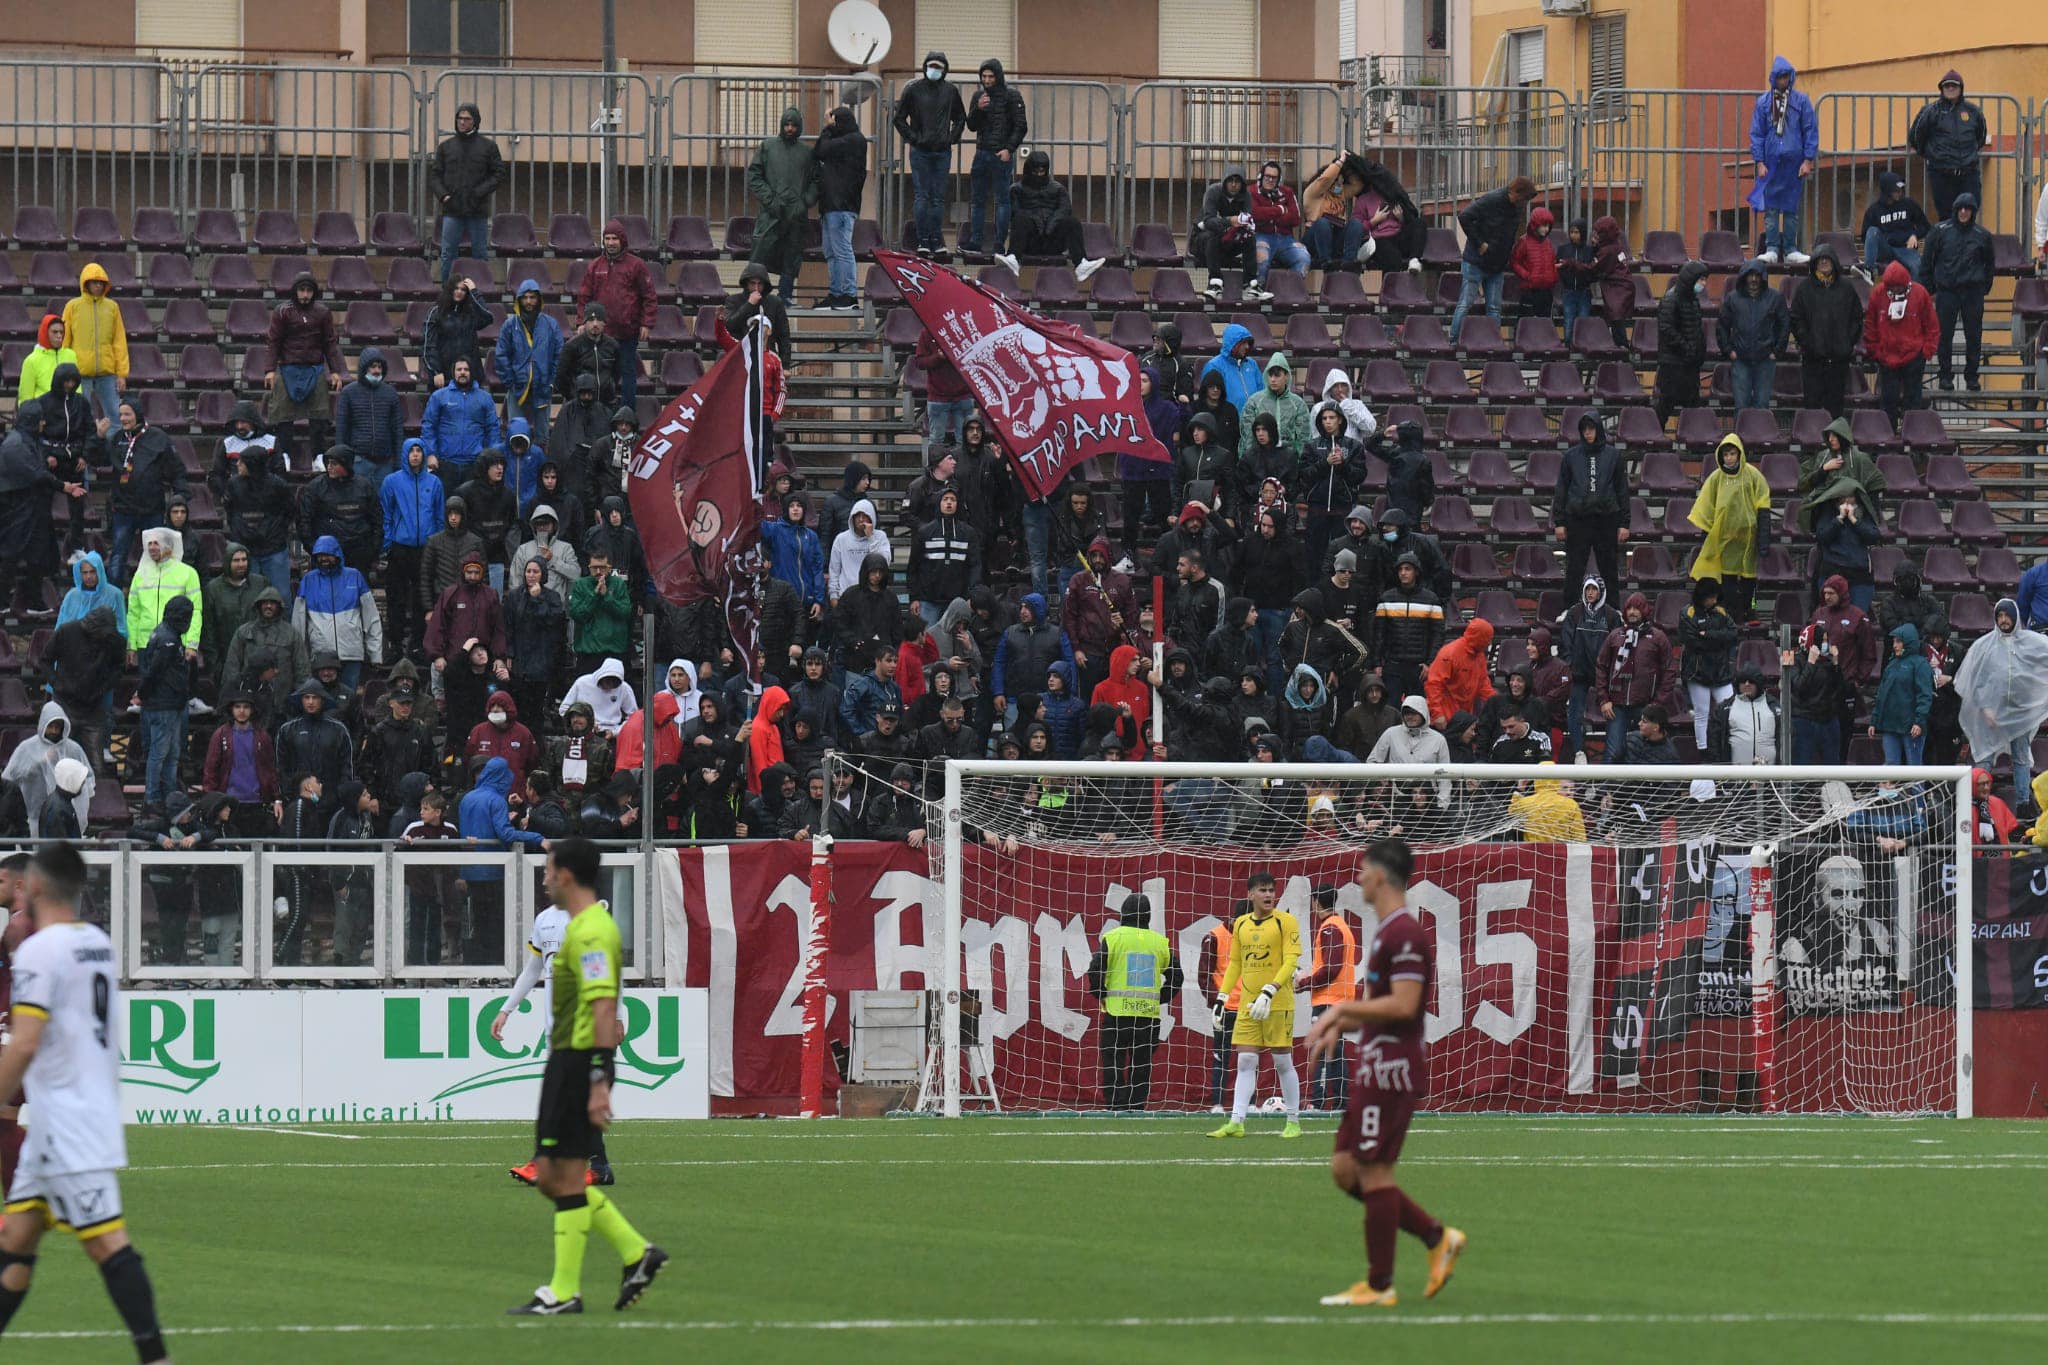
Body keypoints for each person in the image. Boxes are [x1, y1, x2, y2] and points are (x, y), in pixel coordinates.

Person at [0, 844, 172, 1361]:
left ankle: (157, 1357)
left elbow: (25, 1042)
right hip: (75, 1112)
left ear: (30, 888)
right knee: (17, 1242)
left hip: (68, 1123)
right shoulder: (96, 942)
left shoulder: (37, 950)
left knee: (107, 1242)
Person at [503, 838, 667, 1316]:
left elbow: (602, 1008)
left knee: (561, 1175)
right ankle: (637, 1253)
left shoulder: (594, 931)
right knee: (554, 1177)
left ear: (568, 875)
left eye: (549, 870)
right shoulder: (578, 927)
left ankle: (564, 1290)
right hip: (568, 1058)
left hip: (580, 1061)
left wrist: (598, 1078)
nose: (544, 878)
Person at [1308, 838, 1465, 1308]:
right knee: (1344, 1169)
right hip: (1374, 1063)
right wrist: (1344, 1020)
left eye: (1363, 869)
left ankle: (1379, 1286)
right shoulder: (1386, 931)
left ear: (1380, 875)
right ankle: (1438, 1237)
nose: (1358, 878)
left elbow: (1404, 1005)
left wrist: (1342, 1012)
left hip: (1393, 1069)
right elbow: (1385, 1007)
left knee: (1374, 1172)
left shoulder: (1405, 934)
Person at [496, 869, 617, 1187]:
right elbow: (533, 968)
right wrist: (506, 1009)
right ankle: (595, 1164)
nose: (543, 880)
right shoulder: (545, 919)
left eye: (550, 873)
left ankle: (547, 1161)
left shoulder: (590, 919)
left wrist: (615, 1016)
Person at [1207, 872, 1304, 1140]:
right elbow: (1235, 963)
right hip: (1249, 1003)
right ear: (1250, 895)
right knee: (1246, 1061)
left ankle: (1293, 1121)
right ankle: (1237, 1121)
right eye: (1262, 890)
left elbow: (1291, 960)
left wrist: (1270, 990)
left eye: (1271, 890)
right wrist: (1222, 998)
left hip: (1277, 1002)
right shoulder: (1240, 925)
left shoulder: (1286, 922)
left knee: (1282, 1062)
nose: (1269, 895)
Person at [1085, 894, 1180, 1111]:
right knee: (1141, 1065)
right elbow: (1177, 976)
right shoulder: (1159, 942)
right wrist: (1162, 997)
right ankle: (1137, 1107)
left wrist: (1102, 994)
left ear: (1123, 913)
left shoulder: (1113, 938)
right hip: (1148, 1016)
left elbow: (1095, 969)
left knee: (1113, 1064)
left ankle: (1116, 1107)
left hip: (1117, 1015)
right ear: (1148, 916)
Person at [1956, 598, 2048, 802]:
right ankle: (1978, 804)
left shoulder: (2031, 642)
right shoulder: (1983, 646)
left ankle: (2023, 804)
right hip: (1992, 716)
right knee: (1985, 758)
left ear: (2015, 617)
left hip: (2020, 714)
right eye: (2000, 616)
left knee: (2021, 759)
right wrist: (1986, 708)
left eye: (2007, 615)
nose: (2004, 620)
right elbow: (1975, 680)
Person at [98, 398, 186, 586]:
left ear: (138, 414)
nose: (123, 419)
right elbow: (98, 460)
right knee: (117, 557)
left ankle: (153, 591)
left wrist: (181, 497)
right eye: (120, 414)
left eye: (127, 414)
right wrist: (98, 438)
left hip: (151, 510)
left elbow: (176, 470)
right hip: (123, 510)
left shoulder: (158, 438)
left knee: (155, 556)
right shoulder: (117, 438)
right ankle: (115, 599)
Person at [1687, 436, 1772, 623]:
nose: (1730, 458)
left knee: (1750, 581)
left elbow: (1763, 506)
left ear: (1739, 453)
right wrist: (1706, 535)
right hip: (1725, 540)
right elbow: (1706, 506)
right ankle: (1733, 613)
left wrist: (1763, 540)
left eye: (1733, 453)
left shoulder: (1753, 475)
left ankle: (1752, 610)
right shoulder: (1716, 478)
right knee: (1728, 581)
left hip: (1748, 539)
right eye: (1726, 454)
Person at [574, 221, 659, 407]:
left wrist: (647, 323)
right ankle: (604, 414)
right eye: (607, 238)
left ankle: (627, 417)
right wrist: (582, 321)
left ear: (622, 240)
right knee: (604, 375)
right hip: (602, 334)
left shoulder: (636, 265)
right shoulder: (595, 266)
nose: (611, 242)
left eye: (614, 238)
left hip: (628, 332)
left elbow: (649, 296)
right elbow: (584, 296)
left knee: (628, 373)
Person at [1918, 191, 1996, 392]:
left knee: (1974, 336)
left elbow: (1990, 264)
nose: (1963, 212)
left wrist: (1982, 287)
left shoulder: (1982, 235)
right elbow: (1927, 260)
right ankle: (1945, 376)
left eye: (1967, 208)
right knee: (1944, 336)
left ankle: (1972, 377)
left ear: (1973, 211)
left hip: (1972, 292)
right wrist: (1931, 286)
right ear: (1955, 210)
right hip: (1947, 291)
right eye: (1960, 208)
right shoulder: (1940, 231)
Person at [263, 273, 346, 461]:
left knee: (319, 414)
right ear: (295, 291)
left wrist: (335, 371)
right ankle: (284, 454)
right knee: (283, 414)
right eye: (302, 290)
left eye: (309, 290)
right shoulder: (282, 312)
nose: (305, 294)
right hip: (288, 368)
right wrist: (269, 370)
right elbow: (274, 342)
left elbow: (329, 343)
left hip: (315, 368)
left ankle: (318, 456)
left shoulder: (323, 313)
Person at [1291, 886, 1359, 1114]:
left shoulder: (1330, 928)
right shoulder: (1342, 926)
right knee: (1335, 1051)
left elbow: (1331, 968)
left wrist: (1304, 982)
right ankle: (1341, 1102)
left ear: (1315, 903)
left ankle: (1317, 1103)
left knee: (1323, 1050)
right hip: (1342, 999)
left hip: (1330, 1000)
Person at [893, 51, 966, 257]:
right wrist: (914, 138)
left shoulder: (950, 91)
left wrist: (951, 138)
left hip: (942, 152)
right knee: (922, 196)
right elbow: (899, 119)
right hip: (920, 152)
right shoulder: (913, 89)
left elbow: (960, 118)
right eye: (931, 65)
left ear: (945, 69)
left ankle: (937, 238)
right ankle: (923, 240)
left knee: (938, 198)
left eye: (939, 66)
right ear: (925, 66)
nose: (934, 69)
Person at [1747, 56, 1818, 266]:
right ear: (1773, 78)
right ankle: (1771, 248)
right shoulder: (1763, 103)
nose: (1783, 81)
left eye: (1786, 76)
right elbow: (1757, 134)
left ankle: (1790, 249)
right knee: (1770, 208)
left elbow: (1810, 130)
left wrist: (1808, 160)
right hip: (1770, 162)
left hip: (1794, 163)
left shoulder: (1801, 101)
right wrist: (1759, 162)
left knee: (1790, 208)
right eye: (1780, 77)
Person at [746, 106, 818, 305]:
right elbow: (754, 176)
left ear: (799, 127)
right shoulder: (768, 147)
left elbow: (817, 181)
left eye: (793, 125)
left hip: (796, 216)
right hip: (771, 213)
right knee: (760, 254)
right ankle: (755, 296)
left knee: (792, 256)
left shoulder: (807, 153)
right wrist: (771, 200)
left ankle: (785, 295)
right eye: (786, 124)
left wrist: (804, 203)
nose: (789, 128)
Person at [993, 151, 1104, 281]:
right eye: (1035, 172)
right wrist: (1036, 220)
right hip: (1029, 242)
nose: (1039, 175)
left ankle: (1081, 264)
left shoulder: (1058, 188)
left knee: (1072, 222)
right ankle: (1013, 257)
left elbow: (1065, 209)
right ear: (1029, 170)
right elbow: (1015, 212)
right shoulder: (1016, 189)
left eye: (1042, 171)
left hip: (1053, 241)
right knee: (1020, 218)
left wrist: (1052, 223)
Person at [1448, 177, 1535, 341]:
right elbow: (1465, 216)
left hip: (1497, 264)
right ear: (1515, 192)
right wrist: (1480, 243)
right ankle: (1453, 340)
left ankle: (1493, 342)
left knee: (1494, 308)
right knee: (1465, 303)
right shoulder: (1492, 199)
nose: (1524, 203)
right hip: (1476, 261)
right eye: (1523, 199)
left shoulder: (1517, 207)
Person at [1551, 410, 1629, 592]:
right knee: (1574, 569)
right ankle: (1569, 609)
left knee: (1609, 569)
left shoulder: (1614, 456)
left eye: (1591, 428)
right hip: (1578, 520)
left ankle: (1614, 610)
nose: (1587, 433)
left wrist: (1625, 523)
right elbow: (1561, 489)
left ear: (1599, 429)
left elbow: (1622, 490)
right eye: (1584, 429)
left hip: (1606, 519)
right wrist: (1559, 522)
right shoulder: (1570, 456)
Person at [1595, 592, 1676, 762]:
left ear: (1645, 610)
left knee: (1645, 752)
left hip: (1646, 706)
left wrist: (1657, 704)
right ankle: (1606, 788)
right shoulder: (1615, 635)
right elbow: (1601, 667)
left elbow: (1669, 671)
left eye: (1636, 608)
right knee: (1614, 752)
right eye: (1629, 608)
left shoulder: (1658, 637)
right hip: (1616, 705)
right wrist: (1604, 699)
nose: (1632, 612)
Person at [293, 537, 382, 692]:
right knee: (322, 701)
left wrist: (375, 653)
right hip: (321, 655)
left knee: (348, 701)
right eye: (319, 556)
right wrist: (299, 657)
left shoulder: (355, 576)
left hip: (351, 653)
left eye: (327, 554)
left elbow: (371, 618)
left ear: (337, 554)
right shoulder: (308, 580)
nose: (323, 559)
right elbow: (298, 622)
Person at [429, 101, 503, 279]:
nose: (462, 122)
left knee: (480, 254)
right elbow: (435, 175)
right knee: (447, 254)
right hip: (452, 210)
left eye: (467, 119)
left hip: (477, 211)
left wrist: (479, 192)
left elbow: (499, 173)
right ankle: (448, 292)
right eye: (459, 118)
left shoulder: (488, 147)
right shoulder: (445, 147)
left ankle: (480, 290)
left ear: (475, 121)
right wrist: (443, 195)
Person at [1863, 261, 1940, 429]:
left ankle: (1912, 439)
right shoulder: (1878, 294)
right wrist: (1876, 351)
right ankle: (1888, 440)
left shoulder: (1920, 294)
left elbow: (1932, 326)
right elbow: (1870, 325)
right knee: (1887, 403)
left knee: (1912, 404)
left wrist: (1926, 351)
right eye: (1892, 286)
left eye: (1898, 286)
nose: (1895, 290)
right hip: (1887, 358)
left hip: (1913, 356)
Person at [1790, 243, 1864, 417]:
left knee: (1836, 409)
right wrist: (1807, 343)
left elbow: (1857, 318)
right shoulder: (1804, 289)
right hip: (1812, 361)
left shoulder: (1846, 288)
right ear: (1814, 263)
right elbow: (1796, 319)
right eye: (1820, 259)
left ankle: (1834, 444)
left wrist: (1847, 343)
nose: (1824, 262)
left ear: (1834, 262)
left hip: (1839, 361)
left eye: (1827, 259)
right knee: (1812, 408)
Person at [1910, 70, 1991, 221]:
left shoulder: (1973, 111)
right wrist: (1931, 154)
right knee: (1947, 218)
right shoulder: (1930, 111)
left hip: (1969, 173)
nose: (1950, 89)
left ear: (1961, 88)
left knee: (1970, 215)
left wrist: (1969, 155)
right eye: (1947, 86)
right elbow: (1915, 136)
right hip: (1942, 174)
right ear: (1941, 89)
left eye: (1954, 85)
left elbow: (1981, 136)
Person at [5, 704, 95, 838]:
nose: (54, 731)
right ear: (43, 725)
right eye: (50, 726)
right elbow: (10, 777)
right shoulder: (26, 748)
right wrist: (40, 762)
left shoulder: (72, 748)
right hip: (33, 815)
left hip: (66, 812)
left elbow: (87, 777)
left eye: (57, 727)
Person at [299, 444, 384, 581]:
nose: (329, 467)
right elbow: (304, 521)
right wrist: (315, 549)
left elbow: (377, 519)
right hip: (327, 553)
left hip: (359, 552)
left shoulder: (364, 486)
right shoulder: (315, 488)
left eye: (334, 463)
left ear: (346, 464)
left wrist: (373, 549)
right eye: (327, 463)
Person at [814, 106, 869, 310]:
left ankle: (849, 294)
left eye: (833, 121)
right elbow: (818, 151)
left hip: (842, 205)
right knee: (831, 251)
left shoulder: (854, 140)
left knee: (842, 250)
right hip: (830, 205)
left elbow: (822, 149)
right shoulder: (841, 141)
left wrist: (828, 128)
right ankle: (836, 293)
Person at [496, 279, 563, 446]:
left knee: (542, 438)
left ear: (538, 299)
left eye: (532, 297)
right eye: (525, 297)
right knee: (516, 434)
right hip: (517, 387)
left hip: (543, 387)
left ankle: (541, 469)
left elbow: (559, 355)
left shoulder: (550, 324)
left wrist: (552, 382)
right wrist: (510, 380)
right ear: (519, 300)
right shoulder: (510, 325)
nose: (528, 301)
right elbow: (501, 355)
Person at [60, 262, 127, 425]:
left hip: (107, 373)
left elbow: (119, 341)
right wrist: (65, 370)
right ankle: (85, 449)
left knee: (115, 415)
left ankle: (115, 449)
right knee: (82, 416)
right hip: (80, 372)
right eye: (94, 282)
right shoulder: (72, 307)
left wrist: (121, 374)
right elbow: (65, 340)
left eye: (101, 283)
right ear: (86, 283)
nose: (98, 285)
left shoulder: (112, 307)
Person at [1677, 578, 1741, 750]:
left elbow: (1733, 634)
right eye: (1710, 597)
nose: (1714, 601)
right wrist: (1718, 640)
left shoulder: (1720, 611)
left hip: (1721, 672)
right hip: (1697, 672)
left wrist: (1708, 635)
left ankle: (1727, 747)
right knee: (1701, 713)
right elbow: (1692, 641)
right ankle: (1703, 750)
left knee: (1730, 711)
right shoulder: (1687, 613)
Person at [1720, 258, 1790, 412]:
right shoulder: (1732, 298)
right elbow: (1722, 326)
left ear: (1763, 277)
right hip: (1740, 360)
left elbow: (1784, 325)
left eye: (1757, 275)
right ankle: (1739, 437)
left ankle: (1761, 436)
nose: (1753, 279)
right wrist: (1728, 350)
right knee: (1741, 407)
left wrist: (1777, 351)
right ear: (1744, 276)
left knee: (1762, 406)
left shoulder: (1775, 298)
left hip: (1766, 360)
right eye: (1750, 275)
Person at [1191, 168, 1263, 301]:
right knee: (1213, 235)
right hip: (1202, 240)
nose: (1234, 185)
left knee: (1249, 238)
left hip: (1227, 241)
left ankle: (1250, 284)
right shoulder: (1213, 191)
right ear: (1224, 182)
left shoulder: (1246, 195)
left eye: (1237, 181)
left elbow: (1247, 219)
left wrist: (1244, 226)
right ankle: (1215, 283)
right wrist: (1230, 221)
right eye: (1230, 181)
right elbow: (1208, 221)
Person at [420, 357, 500, 476]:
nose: (462, 372)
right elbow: (429, 426)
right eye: (459, 369)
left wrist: (491, 458)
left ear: (472, 372)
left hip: (475, 464)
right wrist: (431, 454)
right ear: (453, 373)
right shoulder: (439, 396)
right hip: (445, 462)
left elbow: (493, 429)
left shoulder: (485, 398)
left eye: (466, 369)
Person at [1654, 261, 1710, 423]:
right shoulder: (1671, 298)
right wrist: (1686, 347)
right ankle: (1657, 438)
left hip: (1689, 364)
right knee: (1666, 403)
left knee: (1692, 404)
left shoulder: (1693, 300)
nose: (1703, 284)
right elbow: (1666, 329)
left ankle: (1692, 439)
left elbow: (1696, 328)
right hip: (1672, 364)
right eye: (1701, 280)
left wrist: (1698, 351)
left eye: (1705, 280)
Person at [1868, 624, 1933, 765]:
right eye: (1894, 641)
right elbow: (1882, 694)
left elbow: (1925, 695)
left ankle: (1916, 788)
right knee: (1890, 766)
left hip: (1911, 726)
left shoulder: (1920, 664)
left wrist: (1919, 721)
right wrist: (1874, 720)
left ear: (1908, 642)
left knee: (1914, 768)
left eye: (1898, 641)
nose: (1894, 645)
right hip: (1889, 725)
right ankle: (1888, 788)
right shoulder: (1891, 664)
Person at [1782, 624, 1847, 763]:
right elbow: (1799, 687)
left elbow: (1840, 689)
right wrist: (1810, 663)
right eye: (1822, 640)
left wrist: (1836, 664)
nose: (1825, 644)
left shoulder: (1828, 662)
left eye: (1826, 640)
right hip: (1804, 720)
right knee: (1802, 765)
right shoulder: (1795, 659)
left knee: (1832, 764)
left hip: (1828, 720)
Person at [1859, 172, 1931, 281]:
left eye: (1900, 189)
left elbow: (1925, 226)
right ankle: (1868, 270)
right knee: (1872, 231)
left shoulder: (1909, 204)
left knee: (1917, 268)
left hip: (1906, 248)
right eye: (1896, 190)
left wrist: (1914, 235)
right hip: (1885, 249)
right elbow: (1866, 237)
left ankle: (1914, 295)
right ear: (1887, 192)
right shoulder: (1874, 210)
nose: (1899, 193)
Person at [1248, 160, 1310, 285]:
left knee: (1303, 258)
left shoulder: (1287, 192)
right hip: (1260, 236)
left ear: (1279, 179)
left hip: (1285, 239)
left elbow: (1295, 218)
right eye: (1267, 176)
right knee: (1261, 259)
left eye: (1274, 177)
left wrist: (1267, 216)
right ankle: (1259, 293)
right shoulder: (1251, 191)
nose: (1270, 180)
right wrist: (1280, 210)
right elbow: (1254, 215)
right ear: (1261, 176)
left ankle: (1288, 291)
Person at [1707, 666, 1780, 766]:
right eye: (1743, 681)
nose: (1747, 684)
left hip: (1772, 776)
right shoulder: (1725, 708)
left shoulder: (1774, 705)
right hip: (1734, 777)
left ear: (1758, 683)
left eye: (1751, 681)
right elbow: (1714, 740)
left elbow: (1787, 737)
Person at [17, 313, 77, 406]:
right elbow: (25, 399)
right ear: (45, 332)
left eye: (61, 332)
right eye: (55, 332)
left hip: (68, 411)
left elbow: (77, 388)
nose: (59, 336)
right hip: (43, 413)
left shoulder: (71, 355)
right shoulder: (31, 361)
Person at [1509, 205, 1558, 320]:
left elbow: (1551, 261)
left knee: (1545, 322)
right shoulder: (1524, 241)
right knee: (1526, 321)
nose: (1546, 229)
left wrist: (1554, 276)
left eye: (1549, 226)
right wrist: (1526, 275)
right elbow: (1514, 261)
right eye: (1544, 225)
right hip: (1530, 290)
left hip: (1546, 290)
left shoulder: (1548, 243)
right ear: (1535, 224)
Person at [1555, 218, 1595, 341]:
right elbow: (1559, 268)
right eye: (1571, 232)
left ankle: (1582, 349)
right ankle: (1568, 349)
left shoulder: (1589, 250)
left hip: (1584, 291)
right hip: (1569, 291)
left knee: (1583, 322)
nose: (1573, 235)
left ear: (1582, 232)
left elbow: (1591, 270)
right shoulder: (1563, 249)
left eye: (1577, 232)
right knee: (1568, 322)